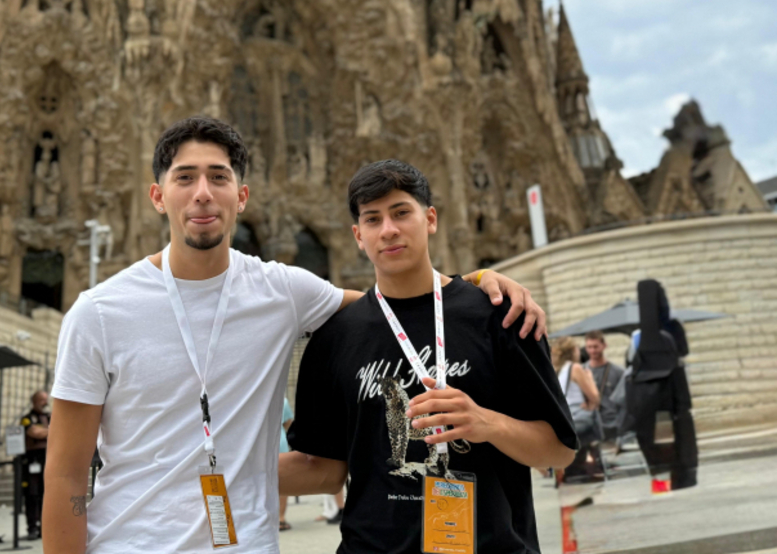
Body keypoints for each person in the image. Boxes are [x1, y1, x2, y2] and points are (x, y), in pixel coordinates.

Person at [43, 117, 549, 554]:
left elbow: (391, 306)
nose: (202, 193)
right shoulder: (100, 312)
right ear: (157, 196)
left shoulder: (281, 290)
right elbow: (66, 474)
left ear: (241, 197)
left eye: (218, 177)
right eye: (185, 178)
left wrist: (473, 285)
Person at [279, 160, 577, 554]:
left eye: (401, 212)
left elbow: (559, 450)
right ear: (358, 235)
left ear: (430, 218)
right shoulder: (335, 337)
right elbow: (325, 471)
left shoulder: (499, 315)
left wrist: (485, 423)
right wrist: (206, 473)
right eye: (373, 219)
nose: (389, 230)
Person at [626, 279, 698, 492]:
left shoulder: (641, 334)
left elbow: (631, 363)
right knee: (677, 440)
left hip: (652, 399)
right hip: (671, 394)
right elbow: (683, 353)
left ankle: (664, 484)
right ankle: (680, 480)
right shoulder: (671, 328)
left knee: (660, 444)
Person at [553, 337, 600, 481]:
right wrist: (590, 377)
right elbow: (595, 397)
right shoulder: (575, 368)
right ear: (573, 351)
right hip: (579, 419)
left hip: (565, 419)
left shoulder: (557, 370)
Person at [21, 390, 51, 539]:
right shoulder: (27, 418)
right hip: (32, 461)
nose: (45, 403)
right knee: (32, 495)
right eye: (42, 400)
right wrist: (51, 431)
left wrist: (45, 431)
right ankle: (32, 527)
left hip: (47, 459)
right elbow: (34, 433)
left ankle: (44, 527)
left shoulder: (49, 417)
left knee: (46, 494)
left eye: (46, 399)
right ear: (34, 401)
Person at [583, 330, 624, 440]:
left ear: (604, 346)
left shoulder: (618, 371)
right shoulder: (581, 372)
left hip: (613, 425)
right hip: (590, 426)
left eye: (596, 347)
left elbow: (624, 401)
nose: (592, 350)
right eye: (589, 347)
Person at [278, 398, 294, 531]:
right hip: (279, 441)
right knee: (282, 482)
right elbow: (289, 421)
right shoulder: (282, 400)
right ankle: (281, 518)